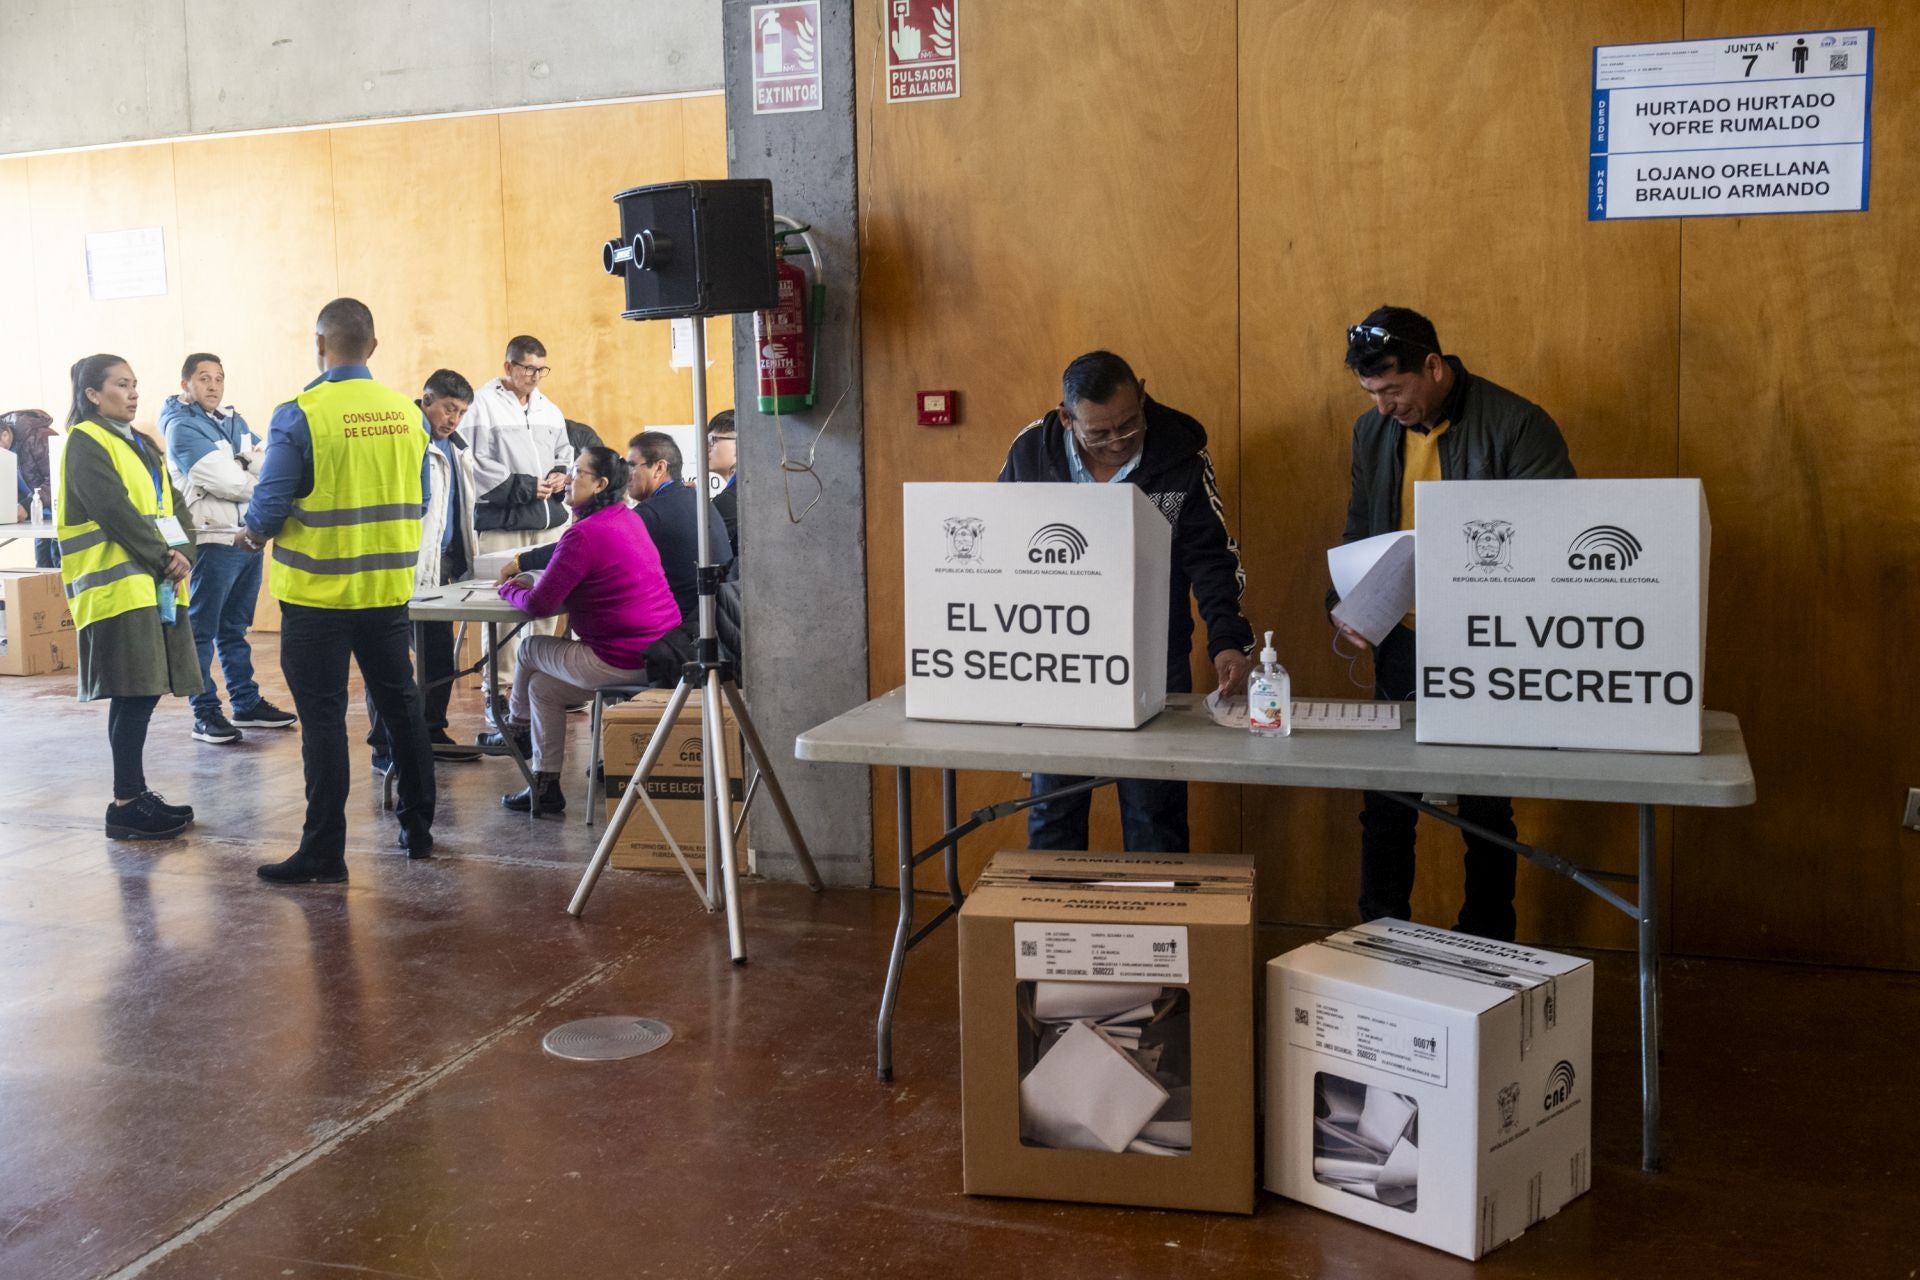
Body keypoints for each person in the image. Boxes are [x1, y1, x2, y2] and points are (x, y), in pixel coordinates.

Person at [1330, 306, 1576, 942]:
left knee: (1486, 804)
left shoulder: (1518, 424)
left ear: (1433, 367)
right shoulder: (1371, 432)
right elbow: (1363, 530)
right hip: (1403, 638)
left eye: (1392, 390)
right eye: (1372, 394)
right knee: (1385, 801)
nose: (1383, 407)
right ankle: (1381, 941)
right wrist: (1353, 602)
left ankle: (1489, 944)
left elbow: (1556, 539)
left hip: (1490, 643)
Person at [998, 351, 1254, 851]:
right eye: (1099, 433)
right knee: (1054, 805)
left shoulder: (1181, 453)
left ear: (1141, 391)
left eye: (1129, 425)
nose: (1117, 442)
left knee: (1154, 810)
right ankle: (1054, 926)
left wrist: (1227, 640)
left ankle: (1157, 927)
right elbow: (1004, 550)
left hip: (1153, 655)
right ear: (1068, 417)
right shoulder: (1033, 452)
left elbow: (1212, 559)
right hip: (1058, 658)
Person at [238, 298, 436, 883]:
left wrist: (250, 535)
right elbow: (420, 500)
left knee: (323, 722)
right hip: (385, 592)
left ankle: (325, 850)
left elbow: (270, 505)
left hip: (318, 598)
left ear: (319, 345)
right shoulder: (409, 414)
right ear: (373, 347)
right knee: (401, 705)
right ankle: (419, 830)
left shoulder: (300, 414)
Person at [56, 355, 202, 840]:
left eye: (135, 384)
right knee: (134, 692)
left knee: (142, 691)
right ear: (93, 395)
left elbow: (173, 503)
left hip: (155, 585)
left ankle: (133, 796)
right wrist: (166, 558)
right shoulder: (84, 442)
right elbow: (113, 510)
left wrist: (184, 552)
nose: (133, 393)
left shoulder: (141, 441)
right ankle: (125, 803)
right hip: (118, 589)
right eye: (122, 385)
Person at [487, 447, 680, 812]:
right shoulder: (625, 517)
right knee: (543, 688)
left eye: (578, 473)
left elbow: (540, 605)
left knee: (529, 649)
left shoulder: (585, 534)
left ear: (600, 484)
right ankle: (545, 786)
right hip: (659, 651)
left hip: (618, 657)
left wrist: (509, 587)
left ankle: (515, 730)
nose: (569, 479)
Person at [160, 352, 298, 745]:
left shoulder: (232, 420)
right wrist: (253, 472)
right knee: (202, 631)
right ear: (185, 383)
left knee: (235, 629)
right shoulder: (181, 426)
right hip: (211, 540)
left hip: (246, 535)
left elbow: (268, 459)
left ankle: (245, 702)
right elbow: (224, 480)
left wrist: (245, 463)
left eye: (219, 378)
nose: (213, 385)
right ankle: (204, 713)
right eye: (204, 378)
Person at [368, 369, 481, 768]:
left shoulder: (455, 446)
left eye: (462, 412)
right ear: (427, 399)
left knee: (439, 660)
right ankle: (385, 748)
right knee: (391, 663)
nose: (454, 419)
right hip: (404, 568)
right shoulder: (406, 439)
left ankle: (432, 731)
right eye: (449, 409)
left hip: (442, 567)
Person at [462, 335, 573, 556]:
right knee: (498, 590)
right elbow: (473, 462)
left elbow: (564, 454)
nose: (536, 377)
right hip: (504, 529)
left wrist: (560, 475)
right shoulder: (480, 405)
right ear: (508, 366)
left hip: (550, 527)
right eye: (529, 368)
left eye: (541, 370)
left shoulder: (550, 410)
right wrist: (525, 487)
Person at [625, 430, 732, 631]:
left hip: (680, 635)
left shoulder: (651, 514)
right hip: (717, 627)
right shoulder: (697, 500)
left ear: (659, 468)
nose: (626, 475)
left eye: (631, 465)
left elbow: (582, 548)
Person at [2, 409, 60, 566]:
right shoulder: (5, 451)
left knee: (58, 566)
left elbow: (59, 479)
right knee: (42, 569)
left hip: (58, 515)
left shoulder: (40, 438)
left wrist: (27, 505)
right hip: (38, 517)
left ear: (5, 436)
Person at [706, 410, 740, 567]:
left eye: (713, 441)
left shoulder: (731, 500)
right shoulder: (740, 491)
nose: (706, 449)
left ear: (739, 443)